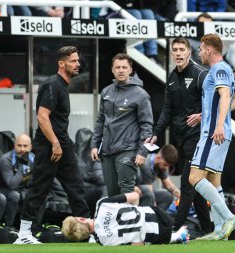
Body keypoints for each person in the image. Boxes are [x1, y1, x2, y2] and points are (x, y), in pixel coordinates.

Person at [14, 46, 90, 244]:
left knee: (76, 188)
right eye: (73, 61)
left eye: (78, 60)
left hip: (63, 145)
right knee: (39, 188)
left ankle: (88, 232)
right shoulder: (53, 84)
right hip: (49, 146)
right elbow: (42, 116)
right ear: (61, 63)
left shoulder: (64, 85)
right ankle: (23, 234)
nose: (77, 64)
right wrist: (55, 143)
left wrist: (62, 144)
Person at [145, 37, 213, 234]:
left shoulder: (201, 74)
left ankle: (175, 228)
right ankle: (208, 229)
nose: (178, 53)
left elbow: (216, 102)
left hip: (199, 137)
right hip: (181, 137)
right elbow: (167, 108)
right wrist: (157, 133)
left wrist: (201, 116)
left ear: (189, 52)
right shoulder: (172, 77)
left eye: (182, 49)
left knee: (187, 183)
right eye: (175, 50)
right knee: (197, 185)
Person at [188, 33, 235, 240]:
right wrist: (207, 113)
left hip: (214, 133)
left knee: (194, 177)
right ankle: (220, 230)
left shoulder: (218, 68)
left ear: (209, 50)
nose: (200, 52)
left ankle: (228, 218)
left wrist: (218, 125)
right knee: (213, 179)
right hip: (218, 131)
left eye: (201, 49)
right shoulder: (226, 68)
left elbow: (227, 96)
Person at [91, 53, 153, 197]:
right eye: (117, 67)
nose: (121, 70)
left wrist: (143, 151)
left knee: (127, 193)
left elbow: (147, 126)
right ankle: (117, 220)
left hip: (127, 150)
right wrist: (94, 145)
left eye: (124, 67)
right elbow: (100, 120)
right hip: (106, 151)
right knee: (112, 194)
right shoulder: (106, 91)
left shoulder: (141, 94)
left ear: (130, 69)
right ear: (112, 70)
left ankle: (131, 220)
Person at [61, 192, 189, 245]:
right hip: (159, 215)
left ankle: (176, 236)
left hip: (160, 236)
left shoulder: (103, 241)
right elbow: (134, 195)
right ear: (82, 219)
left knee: (140, 239)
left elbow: (136, 245)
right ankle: (177, 234)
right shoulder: (101, 205)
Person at [0, 134, 34, 229]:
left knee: (40, 194)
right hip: (2, 189)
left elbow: (34, 180)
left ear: (31, 147)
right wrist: (22, 165)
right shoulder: (6, 159)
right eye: (19, 145)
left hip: (21, 188)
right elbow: (11, 184)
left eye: (25, 146)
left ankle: (33, 227)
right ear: (14, 145)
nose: (22, 149)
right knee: (15, 195)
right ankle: (8, 227)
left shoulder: (32, 158)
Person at [137, 144, 180, 210]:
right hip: (135, 191)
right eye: (166, 165)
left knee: (167, 196)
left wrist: (183, 198)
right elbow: (149, 190)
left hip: (146, 192)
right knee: (149, 193)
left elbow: (169, 186)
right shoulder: (146, 164)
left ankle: (158, 217)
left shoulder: (160, 165)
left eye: (169, 166)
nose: (167, 168)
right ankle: (151, 217)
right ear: (158, 158)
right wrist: (154, 206)